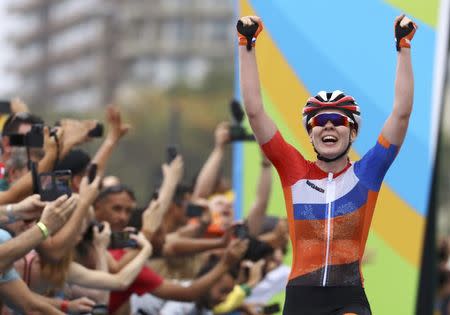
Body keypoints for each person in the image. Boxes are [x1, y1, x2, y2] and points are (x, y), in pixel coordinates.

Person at [237, 14, 417, 314]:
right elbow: (255, 112)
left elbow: (401, 114)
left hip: (349, 296)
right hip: (301, 298)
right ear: (310, 132)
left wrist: (404, 48)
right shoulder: (293, 169)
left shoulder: (368, 172)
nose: (328, 127)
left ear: (353, 132)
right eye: (319, 121)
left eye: (338, 121)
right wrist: (247, 44)